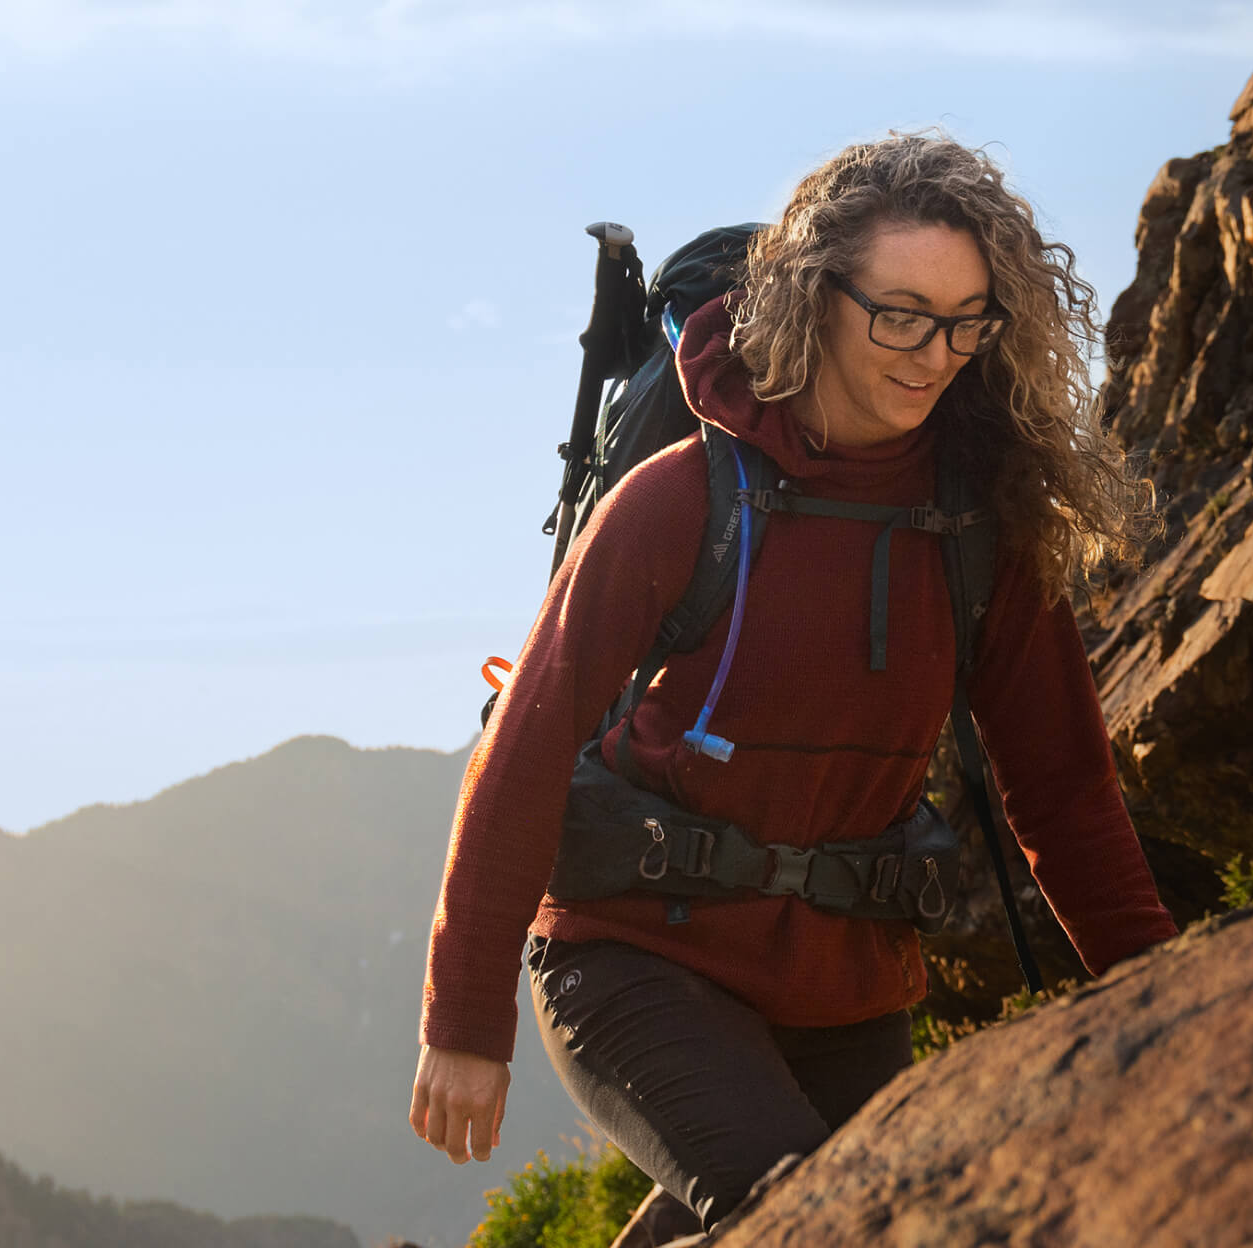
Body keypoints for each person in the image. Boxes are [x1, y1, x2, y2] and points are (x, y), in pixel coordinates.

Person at [405, 132, 1179, 1242]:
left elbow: (1064, 793)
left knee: (870, 1221)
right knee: (817, 1216)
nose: (935, 354)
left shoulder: (982, 526)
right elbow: (525, 749)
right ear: (816, 297)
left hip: (847, 984)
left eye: (968, 321)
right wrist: (465, 1018)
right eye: (900, 315)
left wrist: (1168, 995)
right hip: (634, 956)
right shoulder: (680, 501)